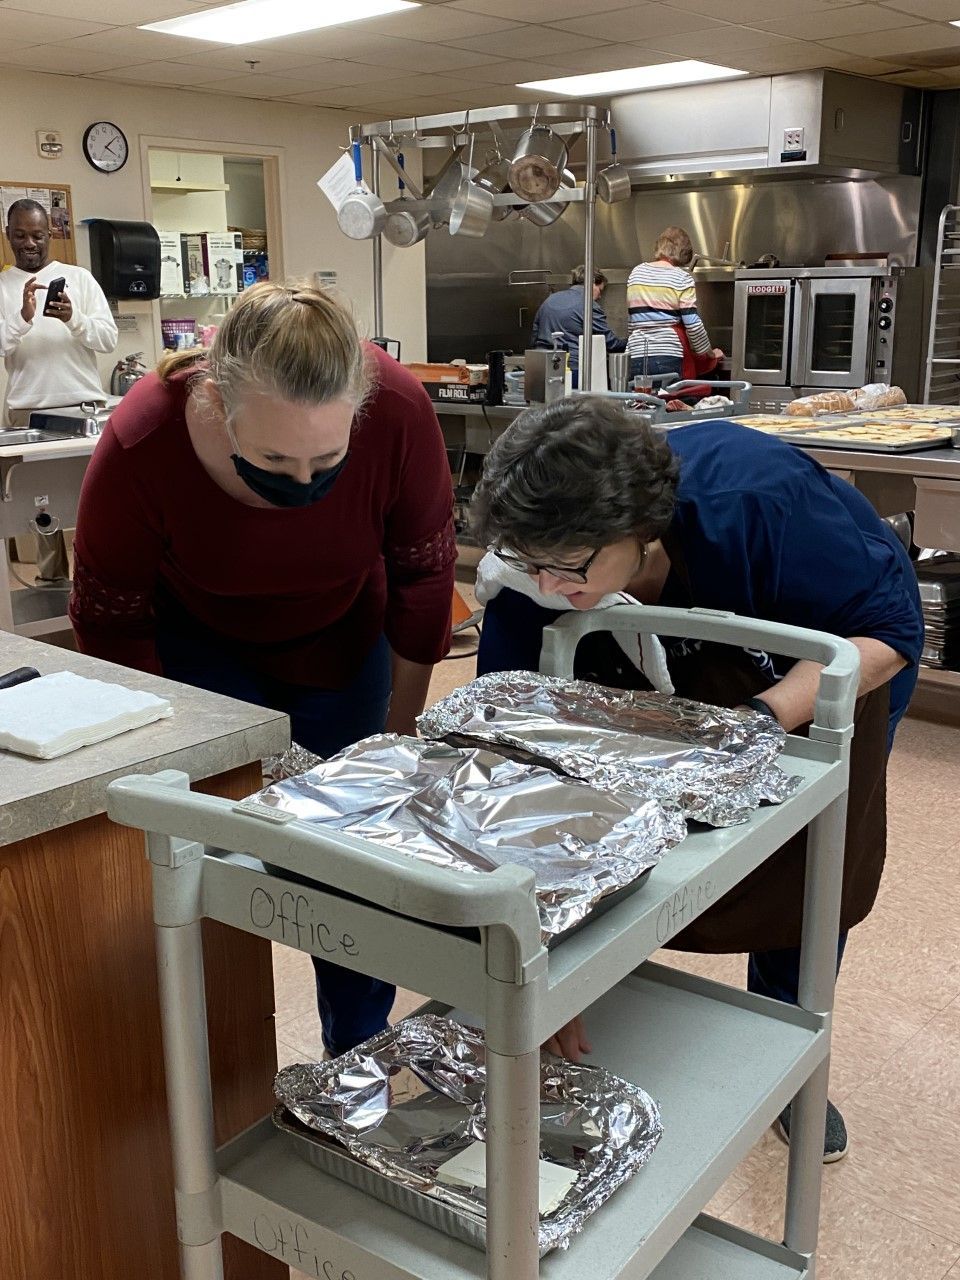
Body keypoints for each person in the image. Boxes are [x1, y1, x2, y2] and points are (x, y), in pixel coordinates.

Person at [470, 395, 924, 1163]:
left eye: (572, 568)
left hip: (820, 666)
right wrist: (534, 971)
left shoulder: (755, 504)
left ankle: (790, 1056)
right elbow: (517, 762)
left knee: (808, 861)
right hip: (664, 665)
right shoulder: (538, 569)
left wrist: (758, 720)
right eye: (530, 565)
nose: (551, 584)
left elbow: (886, 634)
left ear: (640, 532)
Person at [70, 281, 456, 1057]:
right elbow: (112, 622)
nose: (303, 481)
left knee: (349, 857)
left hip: (342, 638)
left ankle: (359, 1047)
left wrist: (401, 732)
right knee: (203, 856)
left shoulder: (401, 412)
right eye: (275, 458)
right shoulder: (146, 438)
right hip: (193, 655)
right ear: (217, 404)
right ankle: (222, 1065)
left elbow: (422, 581)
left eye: (328, 457)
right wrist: (162, 772)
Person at [0, 198, 117, 585]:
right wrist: (22, 320)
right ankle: (53, 590)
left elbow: (107, 339)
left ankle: (100, 583)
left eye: (36, 235)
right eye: (20, 235)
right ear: (8, 236)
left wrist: (74, 318)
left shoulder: (79, 279)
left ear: (48, 235)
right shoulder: (2, 286)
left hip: (85, 409)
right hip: (28, 414)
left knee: (98, 503)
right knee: (41, 512)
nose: (29, 243)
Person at [627, 226, 723, 388]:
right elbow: (692, 324)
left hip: (635, 354)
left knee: (641, 408)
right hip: (667, 356)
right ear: (682, 253)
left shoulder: (636, 273)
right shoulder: (681, 277)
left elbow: (632, 323)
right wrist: (709, 354)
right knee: (669, 407)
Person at [530, 266, 626, 387]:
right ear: (592, 283)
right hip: (573, 369)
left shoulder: (549, 300)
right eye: (600, 290)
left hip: (542, 368)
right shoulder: (588, 304)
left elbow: (534, 336)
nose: (600, 296)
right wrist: (633, 341)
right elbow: (610, 343)